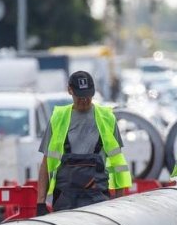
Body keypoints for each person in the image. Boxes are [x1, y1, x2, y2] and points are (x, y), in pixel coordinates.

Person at [36, 71, 132, 214]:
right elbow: (46, 163)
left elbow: (117, 163)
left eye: (88, 96)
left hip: (98, 198)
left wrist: (119, 201)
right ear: (70, 90)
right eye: (80, 97)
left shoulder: (106, 118)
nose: (85, 100)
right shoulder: (58, 118)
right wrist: (40, 202)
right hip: (65, 199)